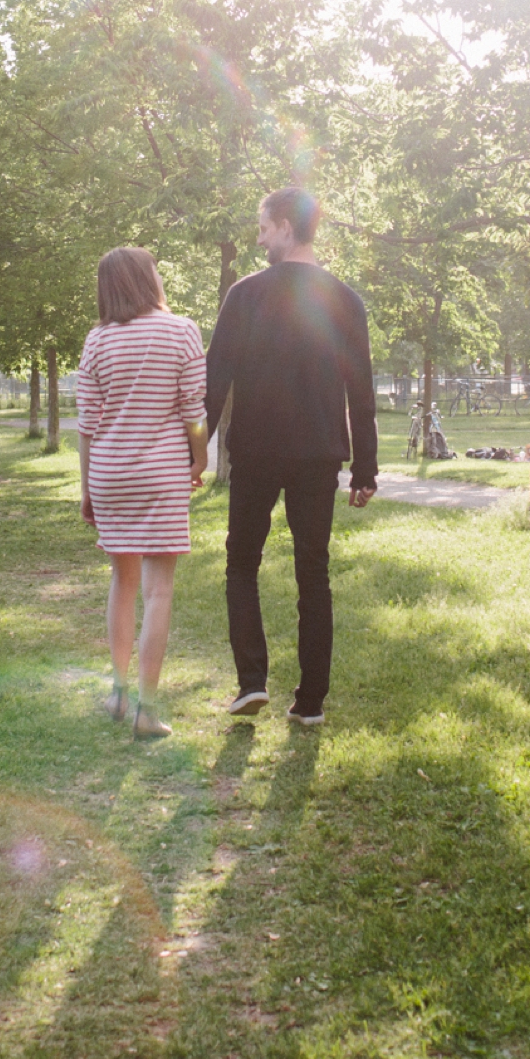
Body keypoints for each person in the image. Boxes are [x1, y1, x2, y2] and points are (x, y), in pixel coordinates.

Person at [204, 187, 377, 728]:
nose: (258, 237)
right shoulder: (344, 298)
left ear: (283, 225)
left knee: (240, 564)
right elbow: (362, 391)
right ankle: (310, 704)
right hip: (318, 455)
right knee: (313, 574)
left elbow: (214, 381)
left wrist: (195, 451)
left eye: (261, 226)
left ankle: (252, 682)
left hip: (256, 452)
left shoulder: (245, 294)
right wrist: (364, 469)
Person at [75, 247, 207, 740]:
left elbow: (87, 425)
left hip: (110, 474)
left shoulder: (97, 340)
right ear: (143, 278)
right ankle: (147, 712)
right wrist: (200, 456)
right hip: (161, 474)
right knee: (159, 590)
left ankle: (116, 694)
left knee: (122, 582)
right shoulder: (182, 331)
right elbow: (193, 405)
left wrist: (87, 487)